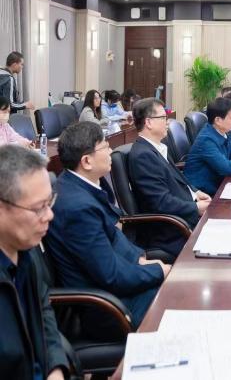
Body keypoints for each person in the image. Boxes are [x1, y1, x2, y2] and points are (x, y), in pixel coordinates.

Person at [46, 122, 169, 327]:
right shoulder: (78, 208)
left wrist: (139, 259)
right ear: (87, 161)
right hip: (108, 307)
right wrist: (159, 271)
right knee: (181, 301)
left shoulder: (80, 184)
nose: (111, 151)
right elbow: (111, 275)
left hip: (115, 290)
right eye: (105, 147)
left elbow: (113, 236)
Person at [0, 145, 70, 380]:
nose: (49, 215)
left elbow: (43, 313)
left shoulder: (26, 253)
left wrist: (56, 367)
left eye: (50, 202)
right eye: (39, 207)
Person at [127, 98, 212, 257]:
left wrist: (195, 192)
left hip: (184, 217)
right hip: (173, 230)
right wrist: (196, 208)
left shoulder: (157, 147)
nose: (168, 121)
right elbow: (161, 202)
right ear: (148, 122)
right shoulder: (143, 155)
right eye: (163, 117)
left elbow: (177, 178)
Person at [184, 97, 231, 194]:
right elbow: (226, 168)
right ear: (218, 120)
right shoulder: (206, 140)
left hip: (218, 184)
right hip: (203, 193)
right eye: (230, 117)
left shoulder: (222, 132)